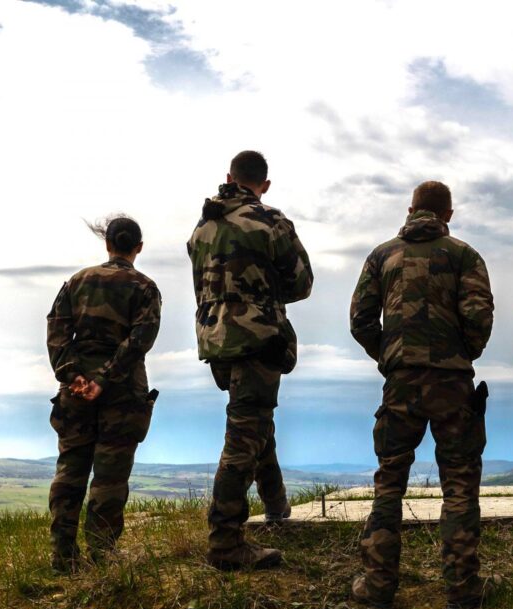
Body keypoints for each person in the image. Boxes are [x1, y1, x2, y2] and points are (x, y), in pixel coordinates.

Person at [349, 180, 494, 609]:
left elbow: (360, 320)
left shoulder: (382, 255)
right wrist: (460, 353)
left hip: (400, 384)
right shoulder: (464, 255)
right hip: (453, 384)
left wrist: (391, 356)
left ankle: (377, 588)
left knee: (389, 481)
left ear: (411, 209)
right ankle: (463, 591)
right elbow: (478, 317)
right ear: (448, 214)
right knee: (460, 485)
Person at [188, 150, 313, 570]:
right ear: (265, 184)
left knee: (254, 420)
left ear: (228, 177)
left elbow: (201, 289)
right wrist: (263, 292)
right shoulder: (270, 221)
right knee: (244, 437)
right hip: (258, 338)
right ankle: (225, 543)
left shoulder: (201, 229)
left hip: (216, 341)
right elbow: (301, 283)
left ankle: (276, 505)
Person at [46, 215, 161, 572]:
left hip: (75, 392)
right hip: (123, 393)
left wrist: (74, 377)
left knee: (70, 469)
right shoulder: (144, 287)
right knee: (111, 476)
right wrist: (106, 378)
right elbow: (140, 340)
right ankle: (103, 556)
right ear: (138, 247)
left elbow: (57, 330)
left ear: (107, 243)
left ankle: (63, 557)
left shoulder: (77, 282)